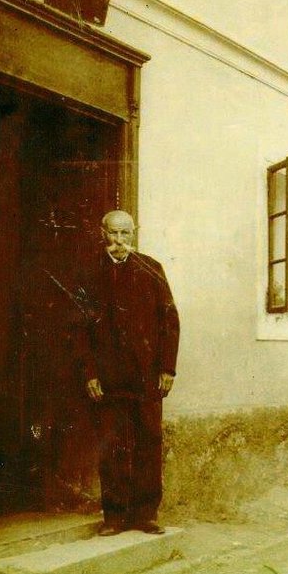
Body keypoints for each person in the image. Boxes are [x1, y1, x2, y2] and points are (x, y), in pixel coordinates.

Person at [73, 210, 180, 535]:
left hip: (147, 377)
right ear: (102, 232)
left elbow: (169, 320)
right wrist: (89, 372)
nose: (119, 242)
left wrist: (167, 367)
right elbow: (77, 329)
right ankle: (115, 517)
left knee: (149, 441)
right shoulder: (88, 272)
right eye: (114, 234)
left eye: (126, 234)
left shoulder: (152, 269)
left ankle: (145, 514)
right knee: (113, 444)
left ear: (134, 234)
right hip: (108, 380)